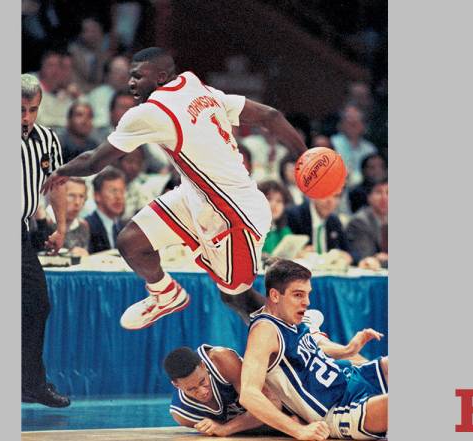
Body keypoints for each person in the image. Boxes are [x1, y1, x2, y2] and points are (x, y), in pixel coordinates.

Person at [42, 47, 307, 330]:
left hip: (235, 213)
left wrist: (61, 171)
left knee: (237, 297)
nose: (130, 83)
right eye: (129, 77)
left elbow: (95, 161)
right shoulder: (200, 90)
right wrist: (306, 157)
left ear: (161, 77)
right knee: (131, 241)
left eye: (137, 76)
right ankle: (165, 294)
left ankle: (298, 341)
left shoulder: (151, 112)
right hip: (196, 195)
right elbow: (271, 116)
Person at [239, 260, 388, 441]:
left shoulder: (292, 319)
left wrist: (349, 349)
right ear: (275, 296)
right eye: (298, 295)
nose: (307, 302)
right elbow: (249, 394)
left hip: (351, 378)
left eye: (307, 294)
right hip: (339, 409)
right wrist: (298, 430)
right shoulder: (265, 330)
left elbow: (317, 345)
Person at [20, 73, 71, 407]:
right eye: (20, 110)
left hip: (23, 233)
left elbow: (56, 184)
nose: (26, 118)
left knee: (38, 305)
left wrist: (61, 227)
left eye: (33, 110)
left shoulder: (46, 140)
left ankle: (32, 384)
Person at [164, 344, 279, 437]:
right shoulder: (183, 414)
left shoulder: (221, 360)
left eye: (202, 381)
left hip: (287, 400)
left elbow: (273, 404)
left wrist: (226, 429)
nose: (202, 392)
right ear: (176, 385)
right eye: (191, 389)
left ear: (203, 366)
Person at [285, 194, 352, 263]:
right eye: (326, 195)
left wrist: (345, 256)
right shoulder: (294, 215)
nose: (330, 201)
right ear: (314, 195)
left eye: (335, 196)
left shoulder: (334, 220)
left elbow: (348, 251)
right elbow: (285, 253)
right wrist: (297, 253)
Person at [36, 177, 91, 257]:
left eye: (81, 196)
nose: (77, 202)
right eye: (71, 195)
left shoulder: (83, 225)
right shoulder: (38, 221)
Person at [345, 178, 388, 269]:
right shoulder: (359, 222)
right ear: (369, 197)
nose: (384, 198)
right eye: (378, 192)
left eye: (388, 192)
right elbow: (368, 260)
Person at [84, 166, 126, 253]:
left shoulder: (124, 227)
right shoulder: (87, 226)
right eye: (113, 191)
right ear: (97, 196)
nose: (119, 197)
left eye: (121, 191)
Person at [257, 180, 294, 256]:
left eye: (279, 201)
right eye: (269, 199)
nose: (274, 204)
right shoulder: (252, 231)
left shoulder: (283, 229)